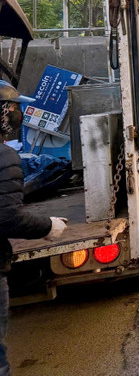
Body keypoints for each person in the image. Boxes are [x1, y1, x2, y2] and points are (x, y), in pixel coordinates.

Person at [0, 81, 67, 375]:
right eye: (14, 107)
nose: (19, 114)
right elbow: (7, 218)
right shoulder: (5, 157)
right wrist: (49, 226)